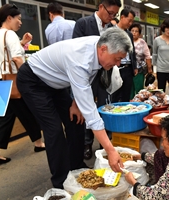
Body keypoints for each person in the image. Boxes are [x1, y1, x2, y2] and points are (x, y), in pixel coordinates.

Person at [16, 28, 132, 188]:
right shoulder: (80, 59)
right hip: (33, 80)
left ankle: (76, 166)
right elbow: (92, 114)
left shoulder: (99, 47)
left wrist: (77, 104)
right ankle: (61, 181)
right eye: (117, 58)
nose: (118, 64)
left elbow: (87, 80)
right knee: (54, 130)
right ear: (104, 49)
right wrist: (111, 150)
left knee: (77, 120)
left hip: (57, 82)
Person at [0, 4, 45, 165]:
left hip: (2, 80)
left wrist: (23, 42)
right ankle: (38, 143)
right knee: (28, 112)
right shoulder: (10, 34)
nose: (20, 22)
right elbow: (17, 59)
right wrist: (29, 77)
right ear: (9, 18)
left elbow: (7, 54)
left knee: (6, 117)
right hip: (14, 81)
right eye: (18, 19)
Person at [72, 0, 122, 160]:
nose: (112, 17)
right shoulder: (83, 24)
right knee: (87, 109)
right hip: (85, 75)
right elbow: (76, 50)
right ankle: (87, 144)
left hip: (104, 76)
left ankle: (104, 144)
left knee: (104, 108)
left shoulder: (112, 29)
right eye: (110, 13)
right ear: (101, 6)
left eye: (115, 14)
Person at [112, 8, 137, 102]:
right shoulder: (112, 31)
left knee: (126, 95)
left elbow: (132, 51)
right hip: (116, 68)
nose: (130, 23)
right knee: (115, 95)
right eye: (129, 20)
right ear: (122, 17)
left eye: (132, 21)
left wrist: (134, 66)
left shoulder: (129, 34)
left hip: (128, 68)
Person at [129, 22, 152, 99]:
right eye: (132, 31)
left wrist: (149, 68)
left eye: (136, 31)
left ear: (139, 33)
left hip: (139, 69)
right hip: (128, 69)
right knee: (129, 89)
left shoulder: (142, 42)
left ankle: (140, 105)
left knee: (139, 89)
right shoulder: (127, 41)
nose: (134, 33)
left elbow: (147, 55)